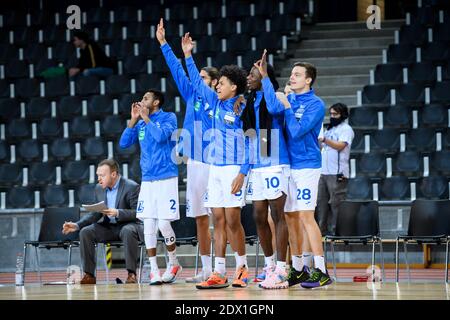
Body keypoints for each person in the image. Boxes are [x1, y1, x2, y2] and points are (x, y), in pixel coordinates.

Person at [257, 50, 332, 289]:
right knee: (289, 217)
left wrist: (288, 105)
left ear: (309, 79)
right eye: (292, 73)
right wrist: (266, 78)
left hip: (307, 165)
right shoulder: (290, 98)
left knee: (306, 216)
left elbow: (298, 131)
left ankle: (321, 270)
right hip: (288, 165)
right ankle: (298, 269)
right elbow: (270, 107)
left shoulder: (316, 104)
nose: (293, 77)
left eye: (298, 74)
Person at [182, 32, 251, 289]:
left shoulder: (243, 106)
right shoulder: (215, 102)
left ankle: (242, 268)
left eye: (221, 83)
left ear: (234, 86)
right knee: (218, 220)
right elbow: (199, 86)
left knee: (233, 220)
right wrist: (188, 55)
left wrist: (243, 173)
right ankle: (219, 272)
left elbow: (252, 142)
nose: (217, 86)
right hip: (215, 169)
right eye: (216, 83)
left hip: (234, 169)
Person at [156, 19, 219, 283]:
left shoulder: (216, 98)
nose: (198, 80)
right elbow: (178, 72)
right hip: (194, 162)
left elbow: (190, 73)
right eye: (200, 77)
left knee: (220, 219)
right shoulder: (192, 95)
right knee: (201, 220)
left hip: (216, 164)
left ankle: (221, 269)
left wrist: (189, 56)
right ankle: (206, 270)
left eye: (204, 78)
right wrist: (164, 44)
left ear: (215, 83)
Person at [119, 89, 182, 285]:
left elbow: (162, 137)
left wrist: (146, 119)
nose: (141, 100)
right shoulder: (140, 123)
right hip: (147, 179)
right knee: (148, 225)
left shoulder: (168, 117)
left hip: (166, 176)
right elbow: (123, 143)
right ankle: (154, 270)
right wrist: (133, 119)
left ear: (155, 102)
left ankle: (173, 263)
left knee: (163, 224)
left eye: (146, 98)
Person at [240, 63, 291, 289]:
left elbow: (273, 109)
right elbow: (250, 135)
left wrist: (266, 80)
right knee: (259, 216)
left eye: (252, 74)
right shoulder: (249, 101)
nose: (248, 78)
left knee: (277, 214)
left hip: (276, 162)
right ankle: (269, 265)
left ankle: (282, 269)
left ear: (264, 77)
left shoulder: (276, 96)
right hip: (257, 163)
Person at [62, 159, 143, 285]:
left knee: (127, 231)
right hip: (108, 227)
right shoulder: (99, 188)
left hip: (128, 225)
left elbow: (139, 213)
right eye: (98, 175)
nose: (99, 179)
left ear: (113, 174)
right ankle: (89, 275)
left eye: (102, 175)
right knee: (86, 232)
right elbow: (95, 213)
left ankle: (131, 274)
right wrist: (77, 225)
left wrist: (118, 212)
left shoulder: (131, 187)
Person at [316, 103, 354, 235]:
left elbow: (340, 146)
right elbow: (322, 147)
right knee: (321, 204)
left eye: (335, 114)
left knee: (336, 204)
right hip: (323, 172)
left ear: (343, 115)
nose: (332, 116)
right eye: (331, 114)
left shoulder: (346, 129)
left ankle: (337, 233)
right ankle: (321, 232)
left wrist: (325, 139)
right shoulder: (329, 129)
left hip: (337, 173)